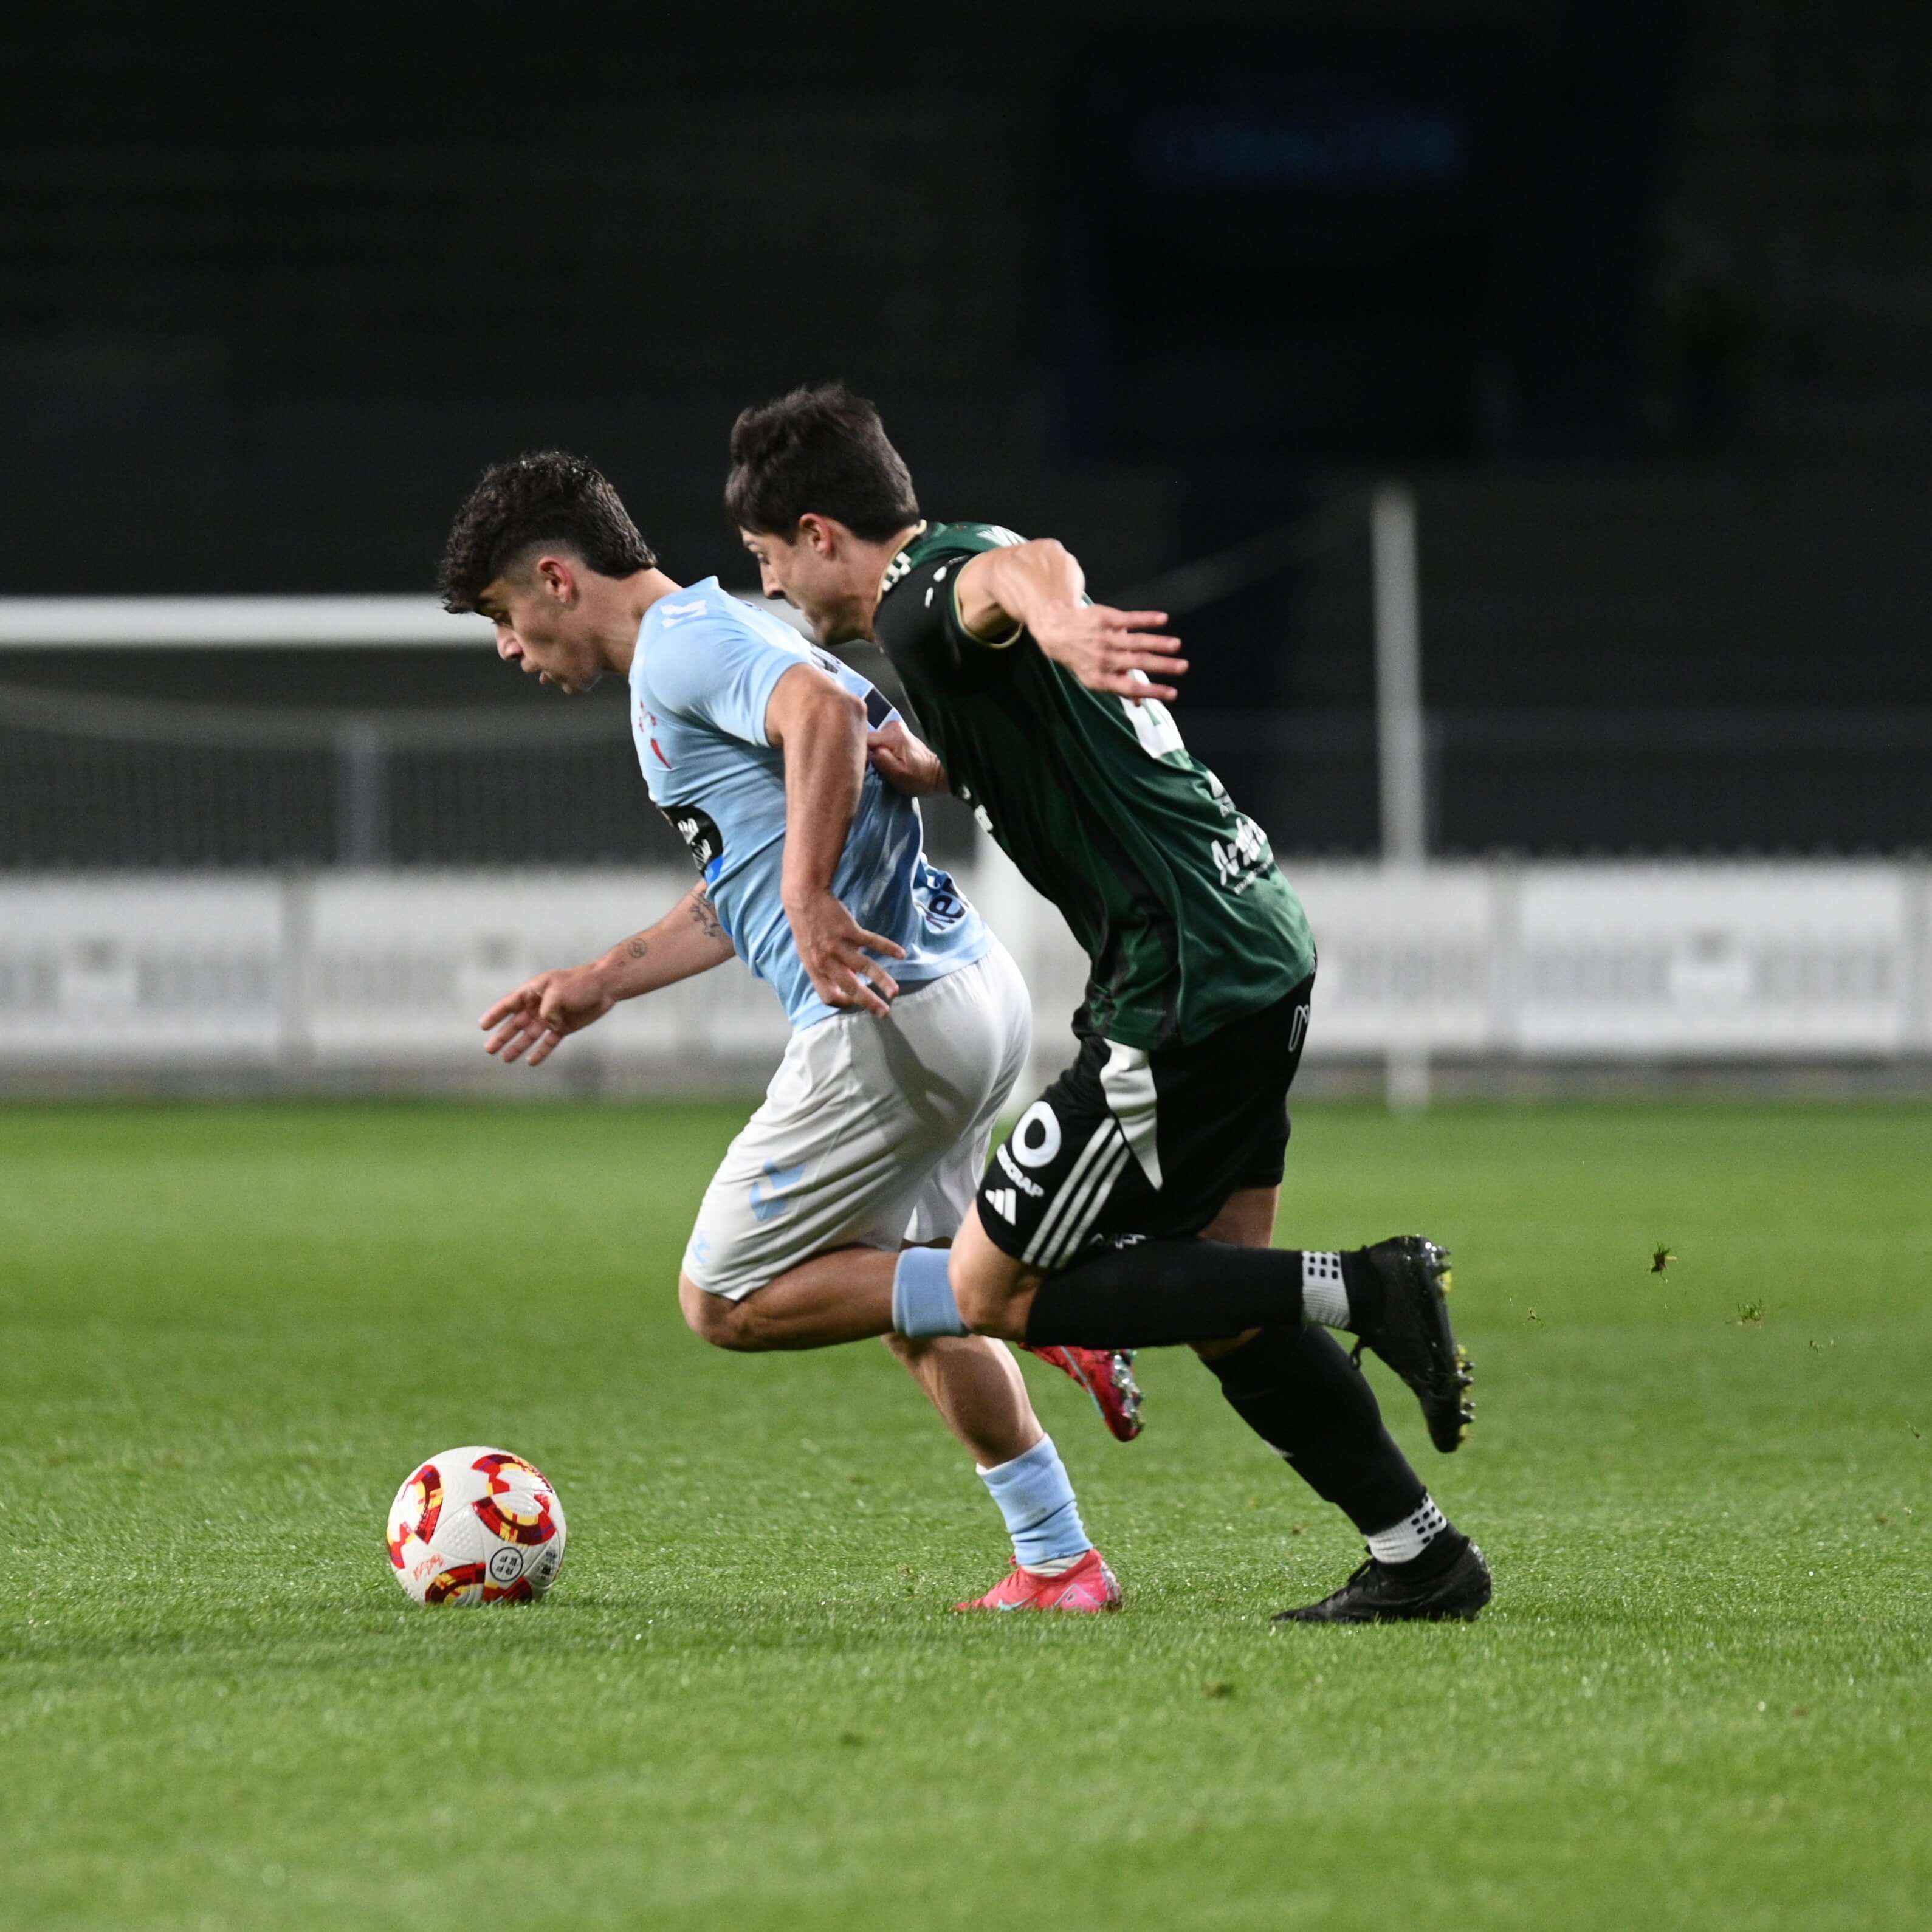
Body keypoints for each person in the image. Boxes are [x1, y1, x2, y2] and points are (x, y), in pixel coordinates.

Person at [723, 383, 1490, 1624]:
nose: (774, 592)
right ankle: (1422, 1556)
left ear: (820, 536)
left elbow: (1033, 569)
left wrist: (1069, 621)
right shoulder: (952, 590)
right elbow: (1017, 611)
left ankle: (1365, 1288)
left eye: (768, 561)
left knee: (988, 1291)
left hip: (1177, 982)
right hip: (1252, 941)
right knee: (1225, 1294)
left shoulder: (927, 598)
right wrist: (949, 760)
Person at [436, 449, 1133, 1613]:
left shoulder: (683, 648)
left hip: (886, 1015)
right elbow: (748, 879)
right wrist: (605, 981)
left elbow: (822, 724)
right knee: (895, 1299)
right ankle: (1060, 1560)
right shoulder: (716, 639)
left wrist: (811, 901)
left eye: (505, 618)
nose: (511, 649)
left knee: (730, 1295)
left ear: (557, 579)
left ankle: (1034, 1288)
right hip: (965, 996)